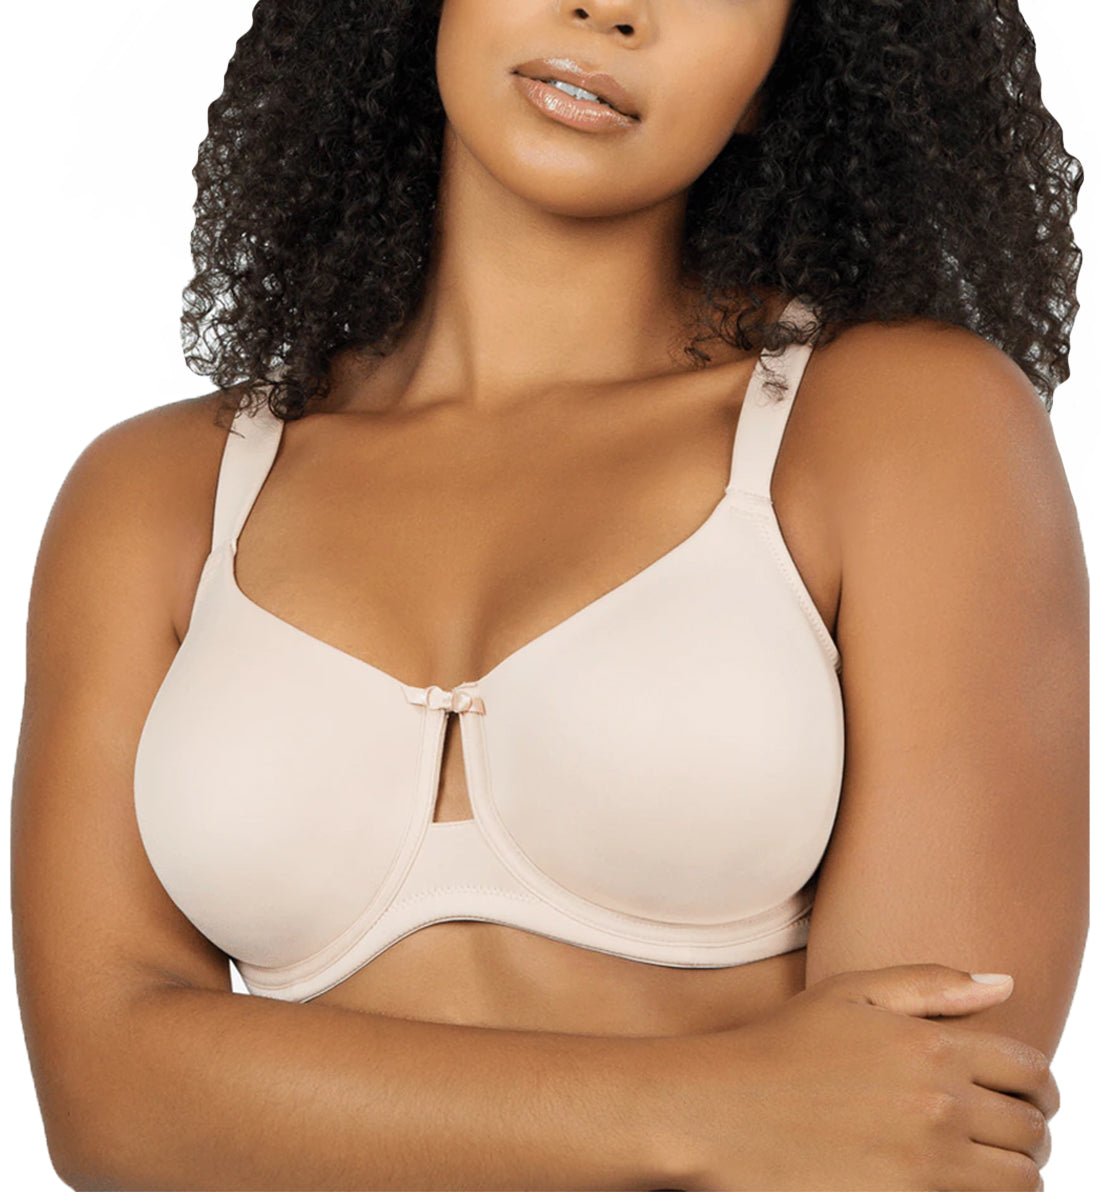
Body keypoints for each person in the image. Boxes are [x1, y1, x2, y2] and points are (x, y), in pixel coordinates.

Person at [12, 1, 1085, 1189]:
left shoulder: (903, 430)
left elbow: (913, 1127)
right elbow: (105, 1098)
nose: (610, 10)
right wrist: (718, 1107)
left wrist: (239, 1090)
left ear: (787, 66)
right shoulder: (158, 497)